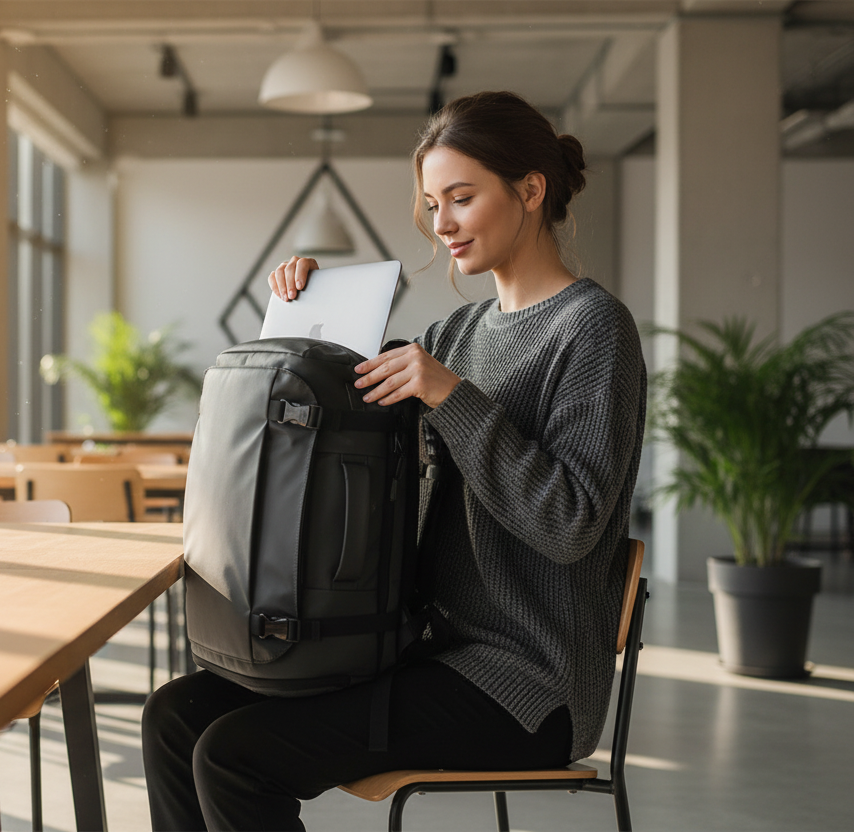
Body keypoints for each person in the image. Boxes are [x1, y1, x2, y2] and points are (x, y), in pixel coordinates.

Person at [141, 90, 647, 832]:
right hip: (424, 652)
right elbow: (341, 428)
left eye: (461, 198)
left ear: (531, 189)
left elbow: (569, 523)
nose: (441, 224)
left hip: (528, 684)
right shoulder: (457, 330)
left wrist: (452, 395)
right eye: (432, 203)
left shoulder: (594, 330)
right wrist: (303, 315)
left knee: (235, 755)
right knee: (175, 716)